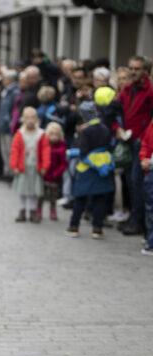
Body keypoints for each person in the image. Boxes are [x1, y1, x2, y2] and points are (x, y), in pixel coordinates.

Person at [115, 56, 153, 237]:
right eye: (131, 68)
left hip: (140, 142)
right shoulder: (127, 89)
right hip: (127, 140)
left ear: (145, 70)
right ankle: (133, 217)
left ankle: (139, 222)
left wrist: (143, 137)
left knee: (137, 182)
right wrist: (117, 128)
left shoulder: (149, 90)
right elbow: (115, 111)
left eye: (136, 68)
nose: (133, 72)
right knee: (130, 181)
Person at [65, 102, 115, 239]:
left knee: (80, 198)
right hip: (103, 166)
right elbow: (109, 147)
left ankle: (74, 226)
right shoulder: (105, 129)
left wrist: (74, 152)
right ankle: (97, 229)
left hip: (87, 168)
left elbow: (83, 152)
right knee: (100, 199)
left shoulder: (86, 131)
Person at [10, 106, 51, 223]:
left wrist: (45, 166)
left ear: (37, 119)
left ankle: (33, 210)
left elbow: (45, 150)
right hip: (23, 167)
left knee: (34, 189)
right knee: (23, 189)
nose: (30, 120)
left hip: (35, 167)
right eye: (27, 118)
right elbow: (15, 150)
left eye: (32, 118)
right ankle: (22, 209)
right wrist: (14, 165)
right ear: (23, 119)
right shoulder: (20, 134)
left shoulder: (41, 134)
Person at [43, 122, 68, 221]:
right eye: (51, 134)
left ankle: (53, 210)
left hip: (54, 176)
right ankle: (38, 209)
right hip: (44, 174)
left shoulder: (62, 147)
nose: (54, 137)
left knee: (53, 195)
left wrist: (56, 173)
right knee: (40, 194)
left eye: (56, 134)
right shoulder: (44, 145)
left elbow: (64, 164)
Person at [140, 117, 153, 255]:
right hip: (150, 171)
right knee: (149, 208)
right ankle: (150, 240)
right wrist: (144, 158)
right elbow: (145, 142)